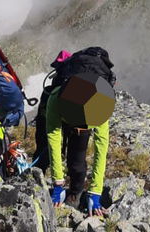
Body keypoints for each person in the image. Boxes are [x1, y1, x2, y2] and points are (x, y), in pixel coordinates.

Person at [46, 84, 110, 217]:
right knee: (43, 151)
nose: (80, 129)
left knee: (77, 162)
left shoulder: (102, 105)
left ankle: (75, 193)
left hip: (86, 110)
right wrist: (57, 180)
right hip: (59, 107)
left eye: (83, 127)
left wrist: (96, 190)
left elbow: (101, 147)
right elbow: (53, 137)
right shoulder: (55, 98)